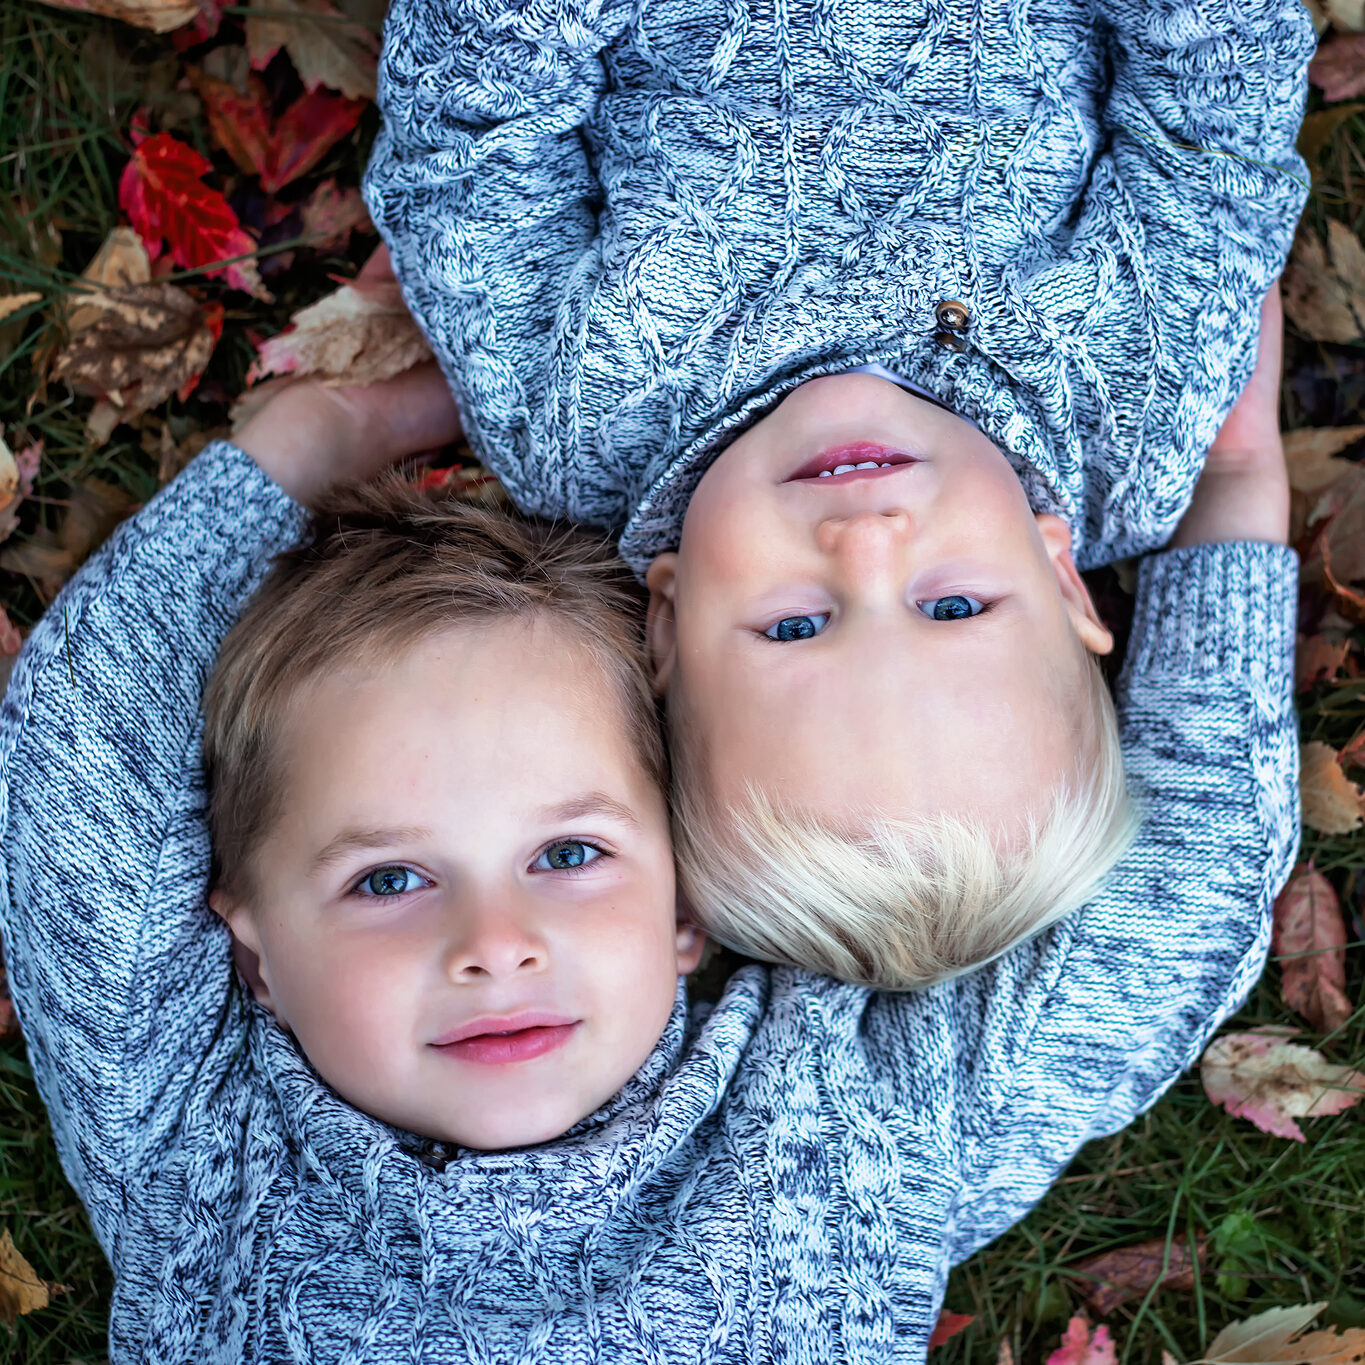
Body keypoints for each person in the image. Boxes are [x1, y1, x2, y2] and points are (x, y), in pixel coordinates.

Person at [0, 279, 1298, 1360]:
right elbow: (1164, 926)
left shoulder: (194, 1165)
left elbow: (87, 752)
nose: (494, 945)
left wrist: (307, 449)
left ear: (686, 909)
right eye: (387, 879)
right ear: (256, 954)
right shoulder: (205, 1154)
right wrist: (1233, 495)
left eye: (569, 855)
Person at [362, 0, 1315, 985]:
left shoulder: (574, 432)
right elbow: (1215, 133)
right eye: (953, 606)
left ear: (668, 621)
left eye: (795, 626)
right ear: (1062, 576)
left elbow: (470, 154)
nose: (866, 540)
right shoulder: (1129, 422)